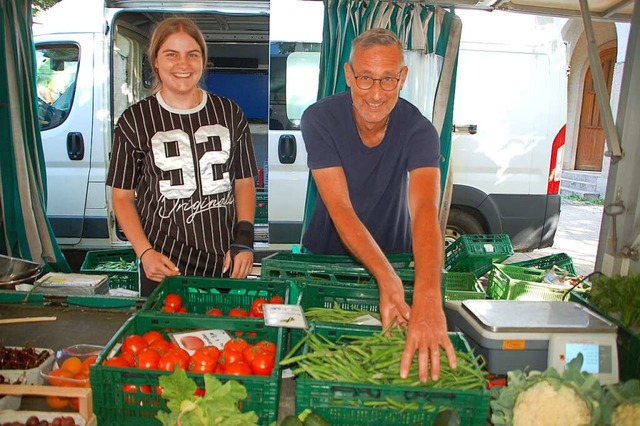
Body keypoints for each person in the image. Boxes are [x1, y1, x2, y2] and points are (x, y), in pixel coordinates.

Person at [300, 28, 457, 382]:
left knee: (385, 367)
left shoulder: (420, 132)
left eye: (387, 80)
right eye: (365, 78)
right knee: (327, 361)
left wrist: (429, 296)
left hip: (397, 256)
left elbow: (425, 212)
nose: (375, 93)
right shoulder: (319, 120)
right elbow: (339, 207)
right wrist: (384, 277)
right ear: (348, 75)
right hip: (327, 261)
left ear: (403, 77)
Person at [106, 17, 258, 297]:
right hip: (163, 264)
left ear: (203, 59)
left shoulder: (230, 113)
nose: (183, 65)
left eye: (192, 54)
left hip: (222, 261)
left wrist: (244, 241)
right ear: (155, 61)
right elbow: (122, 197)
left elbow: (244, 182)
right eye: (171, 54)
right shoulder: (134, 120)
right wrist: (145, 253)